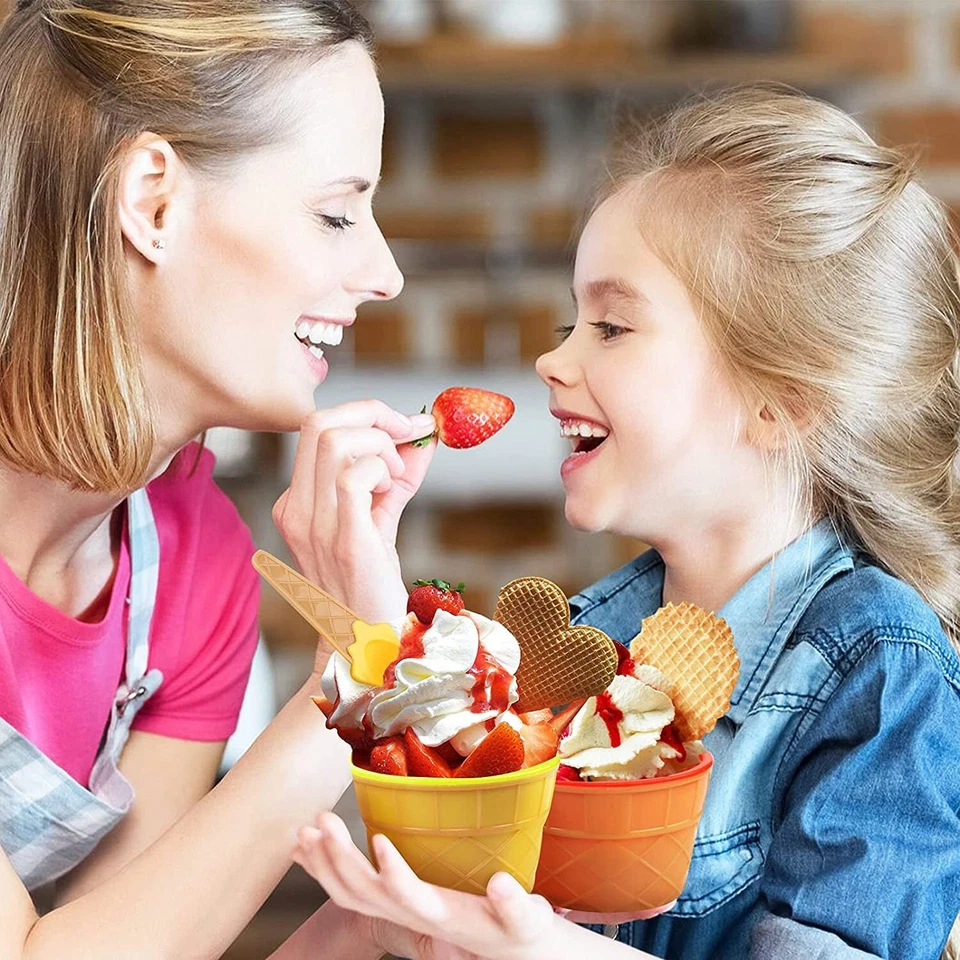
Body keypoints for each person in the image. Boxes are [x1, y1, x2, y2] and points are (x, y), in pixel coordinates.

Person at [293, 87, 960, 959]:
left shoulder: (881, 671)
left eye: (610, 326)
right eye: (575, 320)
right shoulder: (580, 648)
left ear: (779, 405)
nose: (551, 358)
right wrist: (374, 606)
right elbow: (448, 873)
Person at [0, 2, 439, 957]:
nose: (384, 272)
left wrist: (421, 912)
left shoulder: (192, 559)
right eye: (335, 212)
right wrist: (353, 682)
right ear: (153, 204)